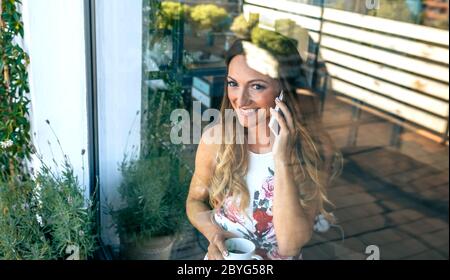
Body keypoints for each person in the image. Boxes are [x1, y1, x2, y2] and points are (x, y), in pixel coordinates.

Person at [186, 29, 342, 260]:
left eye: (257, 86)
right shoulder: (216, 139)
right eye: (233, 83)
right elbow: (194, 201)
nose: (241, 99)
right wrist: (215, 234)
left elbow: (290, 246)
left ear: (283, 90)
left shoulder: (312, 150)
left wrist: (281, 159)